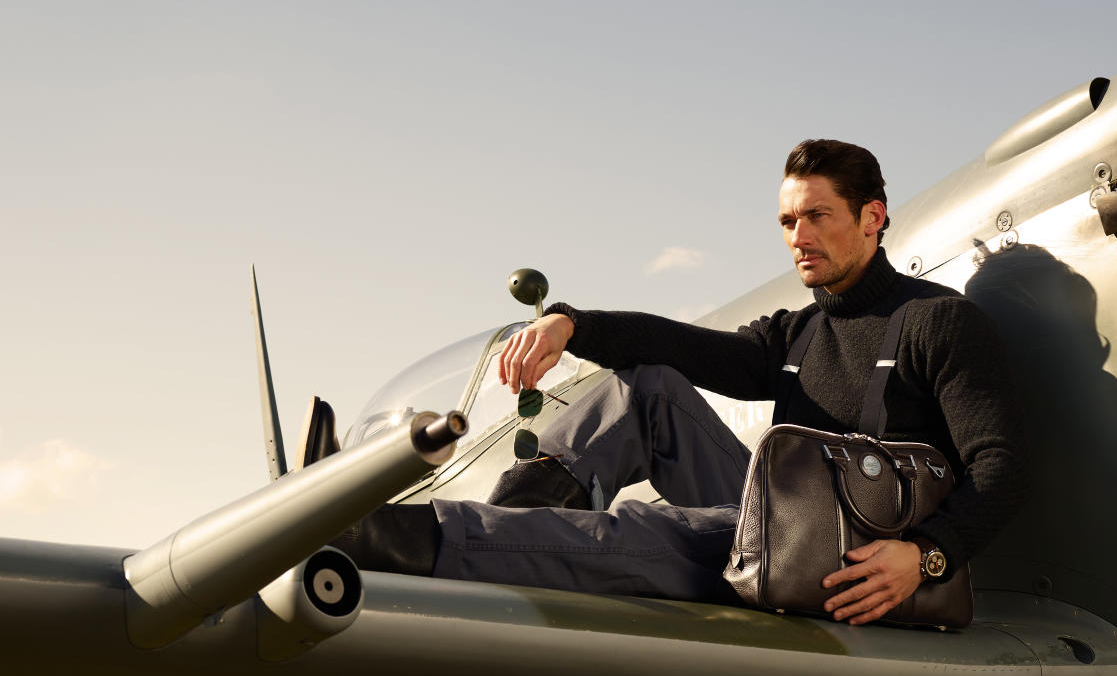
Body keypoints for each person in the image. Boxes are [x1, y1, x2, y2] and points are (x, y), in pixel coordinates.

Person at [336, 139, 1024, 625]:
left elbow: (1002, 467)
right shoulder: (800, 333)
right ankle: (506, 528)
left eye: (817, 215)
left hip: (854, 568)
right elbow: (675, 345)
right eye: (788, 220)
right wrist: (569, 325)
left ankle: (394, 537)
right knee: (647, 388)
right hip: (786, 531)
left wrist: (926, 557)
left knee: (651, 532)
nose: (798, 235)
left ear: (872, 217)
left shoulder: (939, 323)